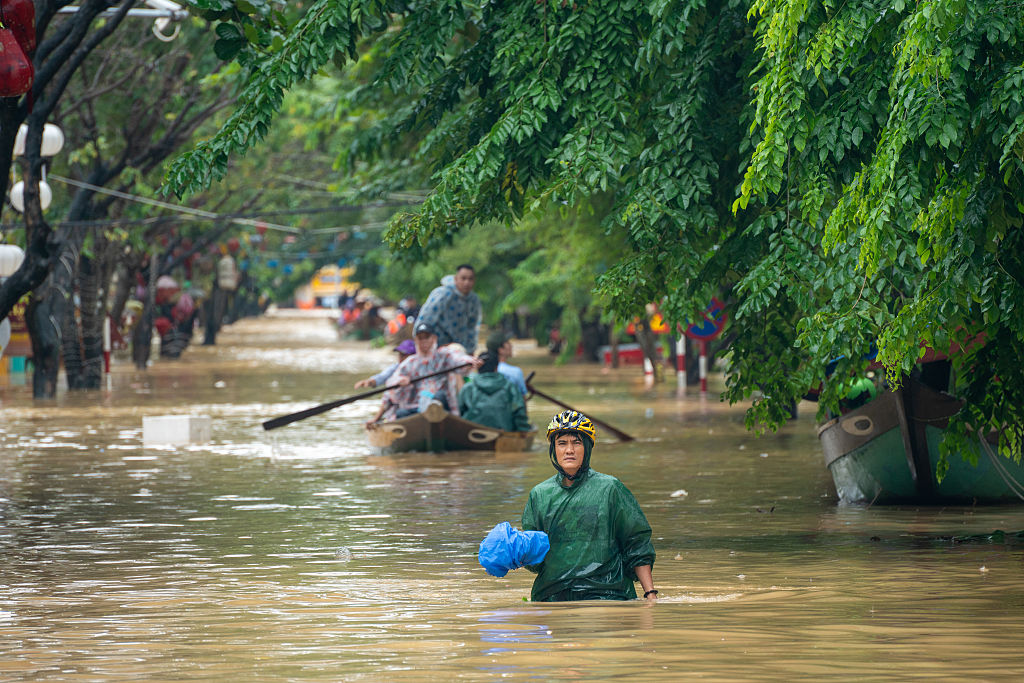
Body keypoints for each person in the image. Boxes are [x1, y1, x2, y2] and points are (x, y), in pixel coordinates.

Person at [521, 410, 657, 602]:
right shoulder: (539, 495)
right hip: (551, 595)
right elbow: (534, 559)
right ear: (554, 449)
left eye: (576, 443)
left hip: (607, 594)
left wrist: (650, 594)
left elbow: (636, 544)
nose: (569, 450)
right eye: (562, 443)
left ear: (587, 448)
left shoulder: (610, 488)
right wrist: (515, 552)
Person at [379, 321, 480, 421]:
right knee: (401, 414)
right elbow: (392, 383)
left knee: (439, 396)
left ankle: (435, 415)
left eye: (427, 337)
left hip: (441, 407)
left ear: (434, 338)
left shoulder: (444, 355)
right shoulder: (410, 363)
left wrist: (471, 361)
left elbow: (458, 359)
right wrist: (400, 381)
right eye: (420, 338)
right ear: (416, 340)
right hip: (418, 408)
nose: (424, 341)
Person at [458, 351, 532, 432]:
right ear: (496, 368)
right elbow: (520, 412)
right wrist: (523, 431)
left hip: (472, 432)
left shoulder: (467, 388)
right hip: (503, 431)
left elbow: (460, 412)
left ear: (478, 367)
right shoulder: (510, 387)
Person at [415, 265, 481, 351]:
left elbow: (472, 327)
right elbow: (425, 319)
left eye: (470, 279)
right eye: (463, 278)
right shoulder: (443, 294)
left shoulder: (473, 300)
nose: (467, 282)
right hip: (437, 345)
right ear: (456, 279)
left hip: (459, 348)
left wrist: (471, 349)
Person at [486, 331, 528, 398]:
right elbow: (522, 399)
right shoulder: (516, 372)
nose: (511, 345)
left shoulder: (484, 370)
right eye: (508, 343)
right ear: (500, 350)